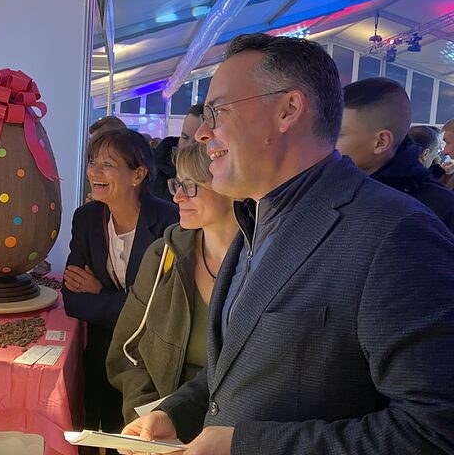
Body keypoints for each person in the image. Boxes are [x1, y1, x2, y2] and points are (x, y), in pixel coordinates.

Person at [122, 34, 454, 454]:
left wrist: (247, 446)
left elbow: (435, 432)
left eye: (217, 111)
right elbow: (239, 365)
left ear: (289, 109)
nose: (203, 133)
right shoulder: (254, 218)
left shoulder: (395, 234)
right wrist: (175, 412)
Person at [106, 142, 237, 423]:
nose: (177, 196)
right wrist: (148, 418)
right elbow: (126, 352)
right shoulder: (163, 255)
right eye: (177, 183)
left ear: (230, 188)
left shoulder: (263, 264)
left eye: (191, 185)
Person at [62, 128, 178, 444]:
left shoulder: (170, 221)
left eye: (108, 164)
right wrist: (129, 301)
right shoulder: (86, 219)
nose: (94, 172)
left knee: (135, 442)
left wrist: (102, 294)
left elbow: (163, 307)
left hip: (150, 364)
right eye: (92, 161)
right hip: (102, 355)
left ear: (138, 174)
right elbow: (73, 299)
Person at [337, 77, 454, 231]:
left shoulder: (438, 210)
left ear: (381, 142)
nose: (328, 142)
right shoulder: (340, 184)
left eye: (339, 134)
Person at [150, 105, 205, 201]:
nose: (188, 146)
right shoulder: (156, 171)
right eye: (185, 138)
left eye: (197, 142)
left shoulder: (216, 182)